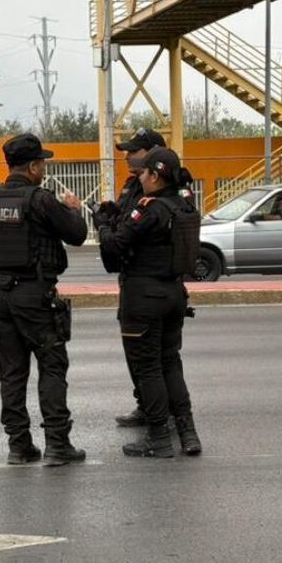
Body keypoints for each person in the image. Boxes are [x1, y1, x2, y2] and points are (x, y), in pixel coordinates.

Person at [0, 133, 89, 466]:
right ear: (33, 166)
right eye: (42, 164)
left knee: (11, 373)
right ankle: (58, 444)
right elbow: (77, 235)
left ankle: (19, 446)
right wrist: (73, 210)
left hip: (2, 297)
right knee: (52, 367)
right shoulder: (41, 200)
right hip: (36, 298)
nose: (44, 170)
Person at [95, 147, 203, 457]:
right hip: (174, 293)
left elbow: (115, 247)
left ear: (155, 175)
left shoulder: (150, 208)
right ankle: (188, 433)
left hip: (144, 298)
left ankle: (158, 437)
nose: (139, 177)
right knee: (171, 363)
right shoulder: (183, 204)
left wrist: (102, 224)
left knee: (148, 368)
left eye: (143, 172)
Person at [109, 127, 167, 428]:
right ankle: (146, 405)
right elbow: (120, 219)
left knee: (155, 356)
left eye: (135, 151)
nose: (128, 156)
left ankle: (160, 416)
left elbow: (133, 232)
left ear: (153, 153)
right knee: (136, 351)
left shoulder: (163, 187)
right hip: (132, 278)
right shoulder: (134, 185)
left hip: (151, 281)